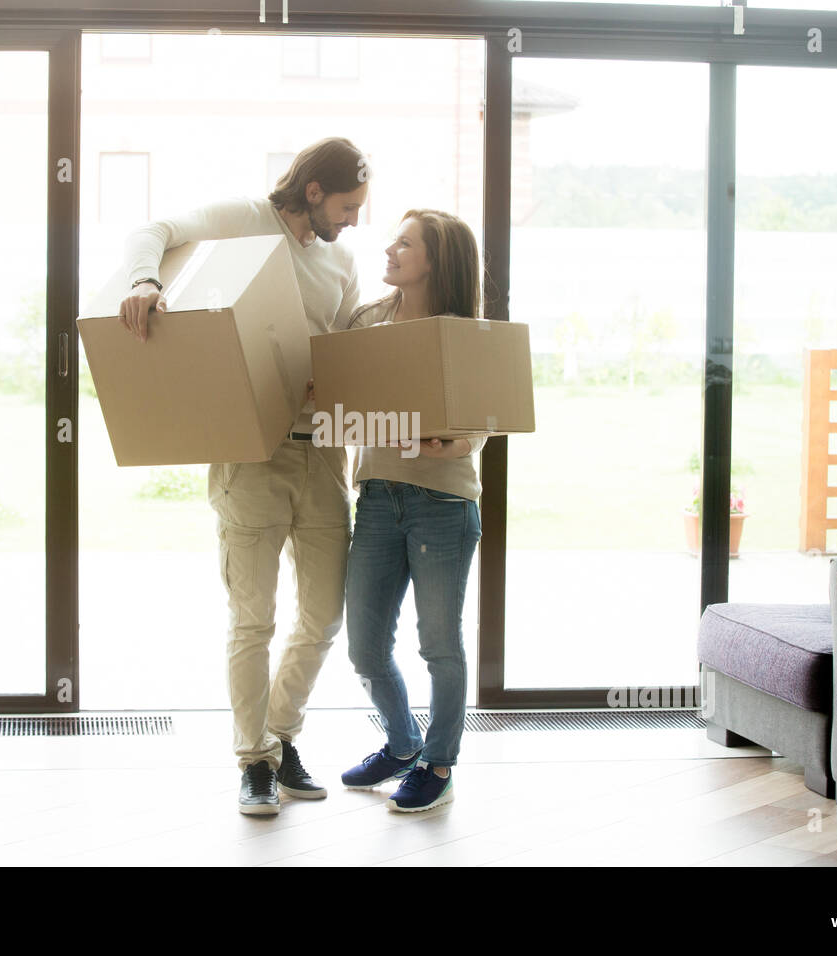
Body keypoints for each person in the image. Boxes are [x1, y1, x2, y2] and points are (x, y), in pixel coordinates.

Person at [119, 137, 368, 816]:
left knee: (322, 614)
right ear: (313, 191)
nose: (351, 221)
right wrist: (147, 280)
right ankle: (254, 760)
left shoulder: (343, 263)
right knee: (253, 617)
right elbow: (156, 231)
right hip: (247, 454)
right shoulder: (243, 219)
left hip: (320, 457)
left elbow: (341, 354)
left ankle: (280, 735)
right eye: (345, 207)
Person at [334, 208, 486, 812]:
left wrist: (447, 441)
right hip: (376, 498)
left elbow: (482, 421)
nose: (390, 250)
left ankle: (439, 763)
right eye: (393, 240)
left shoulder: (466, 333)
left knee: (439, 646)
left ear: (434, 260)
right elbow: (344, 398)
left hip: (442, 503)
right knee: (365, 647)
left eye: (405, 243)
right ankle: (402, 744)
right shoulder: (368, 321)